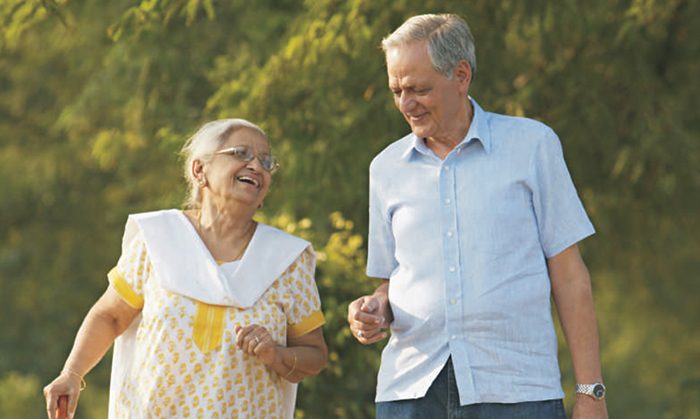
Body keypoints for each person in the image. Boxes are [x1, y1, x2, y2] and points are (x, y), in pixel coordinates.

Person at [347, 13, 608, 419]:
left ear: (461, 75)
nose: (406, 103)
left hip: (517, 390)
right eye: (396, 90)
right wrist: (375, 308)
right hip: (410, 392)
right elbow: (390, 281)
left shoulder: (532, 145)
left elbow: (570, 277)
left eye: (419, 89)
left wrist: (590, 393)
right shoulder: (385, 168)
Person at [44, 118, 328, 419]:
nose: (257, 166)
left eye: (266, 161)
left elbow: (315, 354)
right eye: (241, 153)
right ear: (199, 170)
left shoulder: (286, 259)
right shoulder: (158, 239)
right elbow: (110, 316)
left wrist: (276, 355)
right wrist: (72, 373)